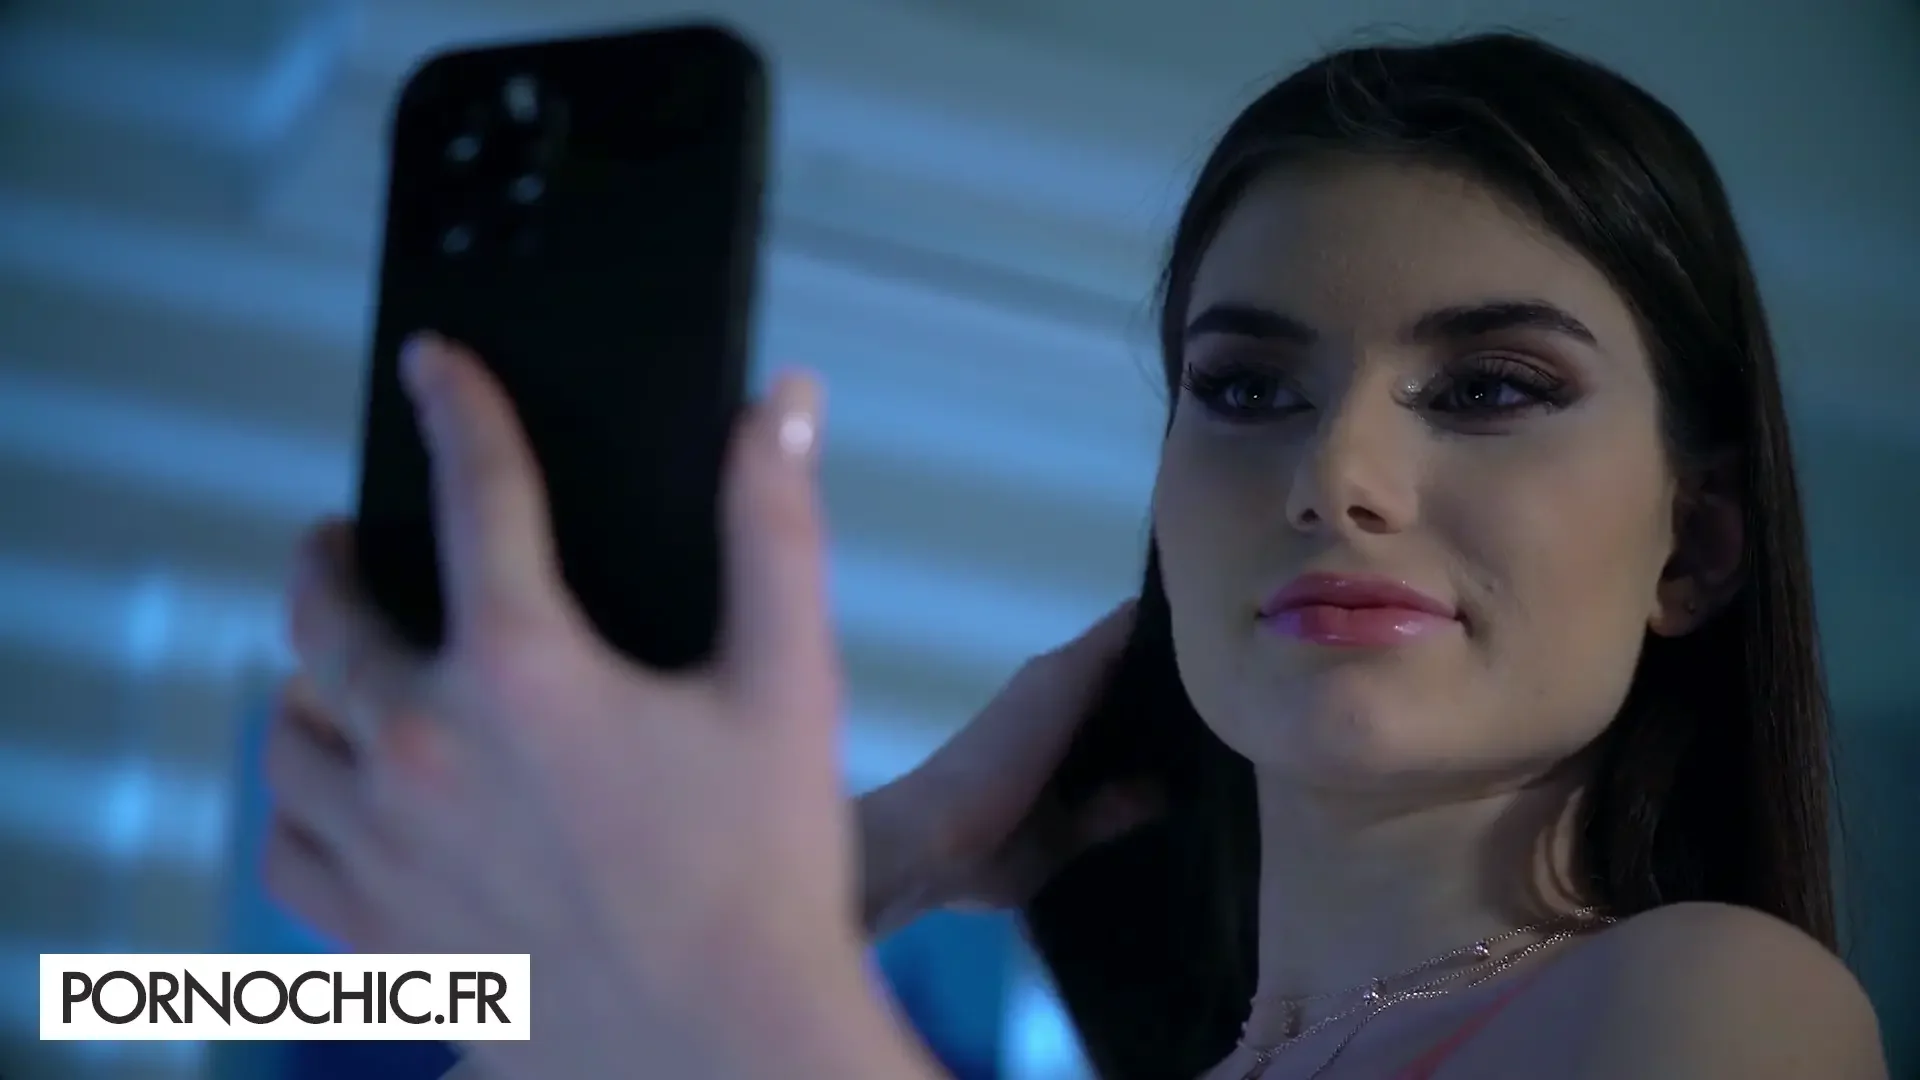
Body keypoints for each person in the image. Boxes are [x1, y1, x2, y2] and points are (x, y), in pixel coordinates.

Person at [265, 30, 1888, 1080]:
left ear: (1697, 548)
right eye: (1245, 388)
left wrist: (734, 970)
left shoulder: (1720, 1003)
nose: (1336, 476)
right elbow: (199, 999)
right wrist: (872, 860)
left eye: (1490, 389)